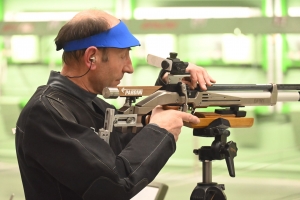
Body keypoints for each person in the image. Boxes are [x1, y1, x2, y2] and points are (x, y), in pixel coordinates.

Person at [15, 10, 216, 200]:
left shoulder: (89, 104)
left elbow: (124, 142)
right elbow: (115, 184)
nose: (129, 67)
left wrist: (167, 91)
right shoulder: (47, 113)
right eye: (123, 55)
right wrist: (160, 131)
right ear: (91, 57)